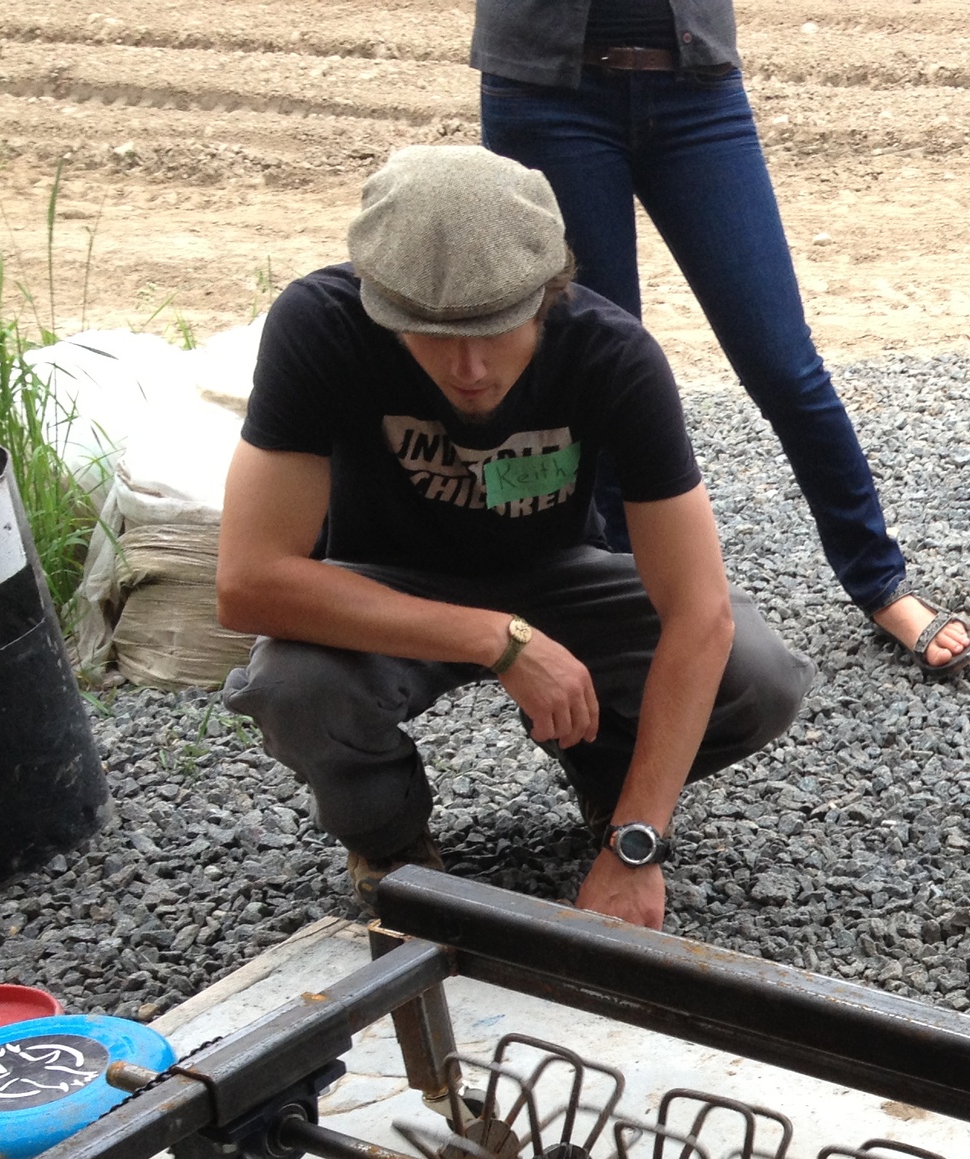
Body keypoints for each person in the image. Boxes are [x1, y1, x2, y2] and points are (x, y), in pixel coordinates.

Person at [219, 145, 811, 932]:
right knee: (294, 687)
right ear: (377, 305)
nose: (468, 368)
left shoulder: (614, 354)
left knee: (758, 679)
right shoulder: (319, 324)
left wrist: (638, 845)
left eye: (496, 331)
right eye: (430, 336)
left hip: (554, 570)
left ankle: (607, 776)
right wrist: (498, 638)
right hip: (387, 575)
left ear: (546, 294)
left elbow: (700, 613)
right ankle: (390, 842)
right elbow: (249, 581)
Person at [471, 0, 970, 679]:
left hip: (695, 90)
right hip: (546, 95)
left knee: (784, 364)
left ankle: (879, 581)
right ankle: (632, 607)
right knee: (601, 373)